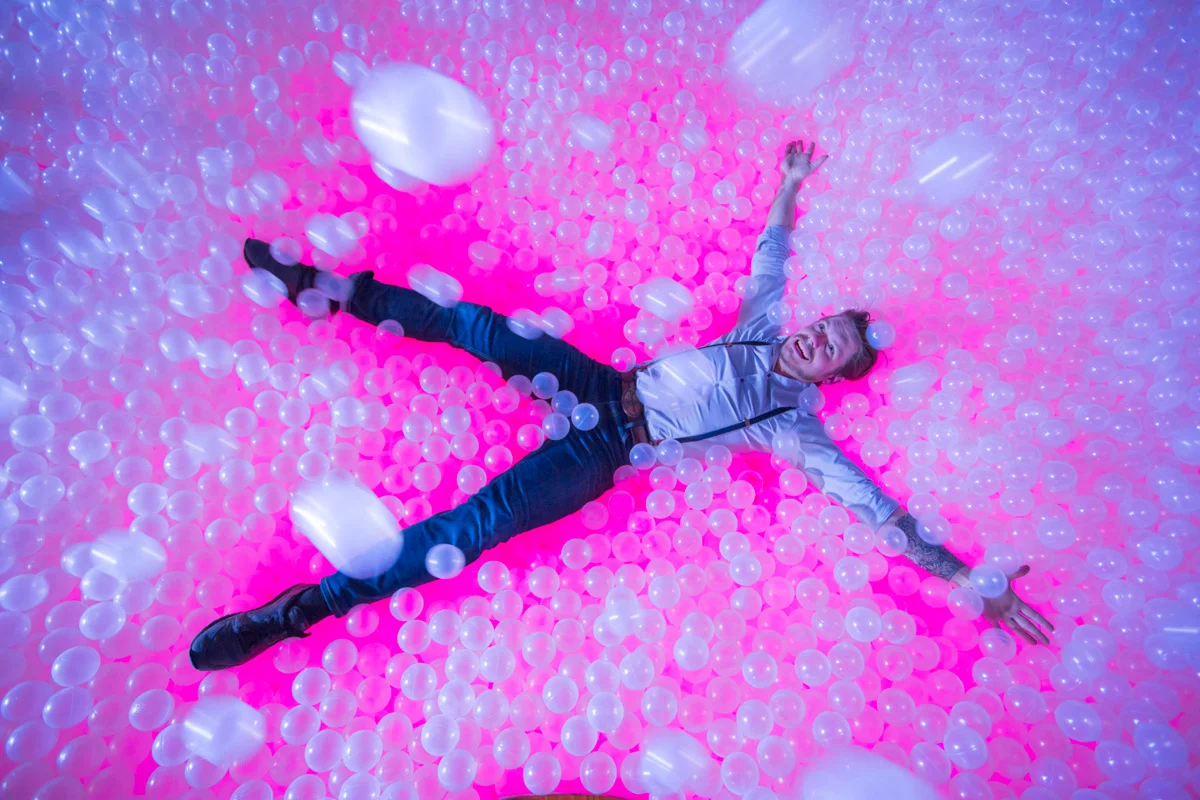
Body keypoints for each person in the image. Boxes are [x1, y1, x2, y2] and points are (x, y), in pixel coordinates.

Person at [189, 141, 1051, 671]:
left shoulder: (793, 425)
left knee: (468, 531)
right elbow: (772, 255)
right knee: (472, 324)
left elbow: (877, 508)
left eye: (831, 349)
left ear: (830, 378)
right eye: (824, 326)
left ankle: (299, 611)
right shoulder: (760, 328)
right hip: (599, 383)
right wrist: (792, 183)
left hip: (601, 455)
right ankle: (316, 285)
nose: (816, 338)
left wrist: (965, 577)